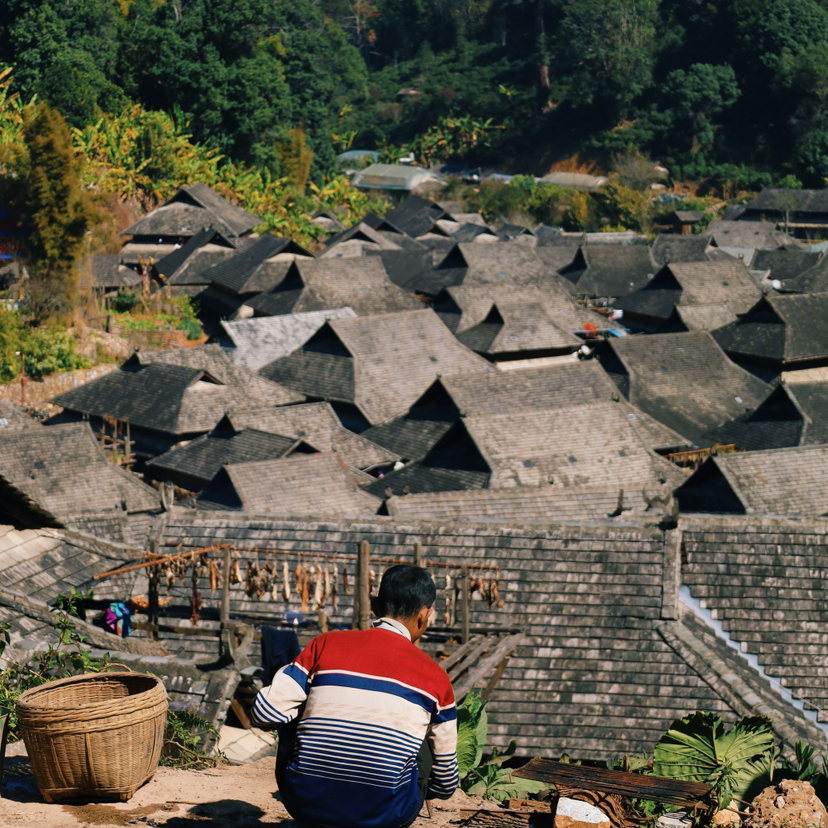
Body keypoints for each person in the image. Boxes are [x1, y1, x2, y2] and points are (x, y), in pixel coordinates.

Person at [252, 564, 458, 828]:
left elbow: (264, 712)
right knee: (426, 736)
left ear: (375, 605)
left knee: (294, 708)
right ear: (424, 615)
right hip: (388, 817)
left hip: (304, 805)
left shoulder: (325, 644)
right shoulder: (436, 677)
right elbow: (446, 783)